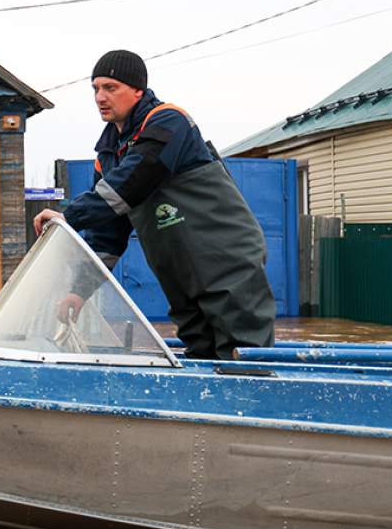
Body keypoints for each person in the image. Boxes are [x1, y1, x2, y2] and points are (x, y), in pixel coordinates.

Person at [34, 50, 275, 359]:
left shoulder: (168, 121)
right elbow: (106, 235)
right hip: (181, 273)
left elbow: (131, 182)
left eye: (111, 87)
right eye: (95, 89)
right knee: (200, 353)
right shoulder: (108, 155)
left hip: (226, 263)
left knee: (243, 355)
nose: (100, 97)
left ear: (138, 89)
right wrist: (78, 292)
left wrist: (68, 217)